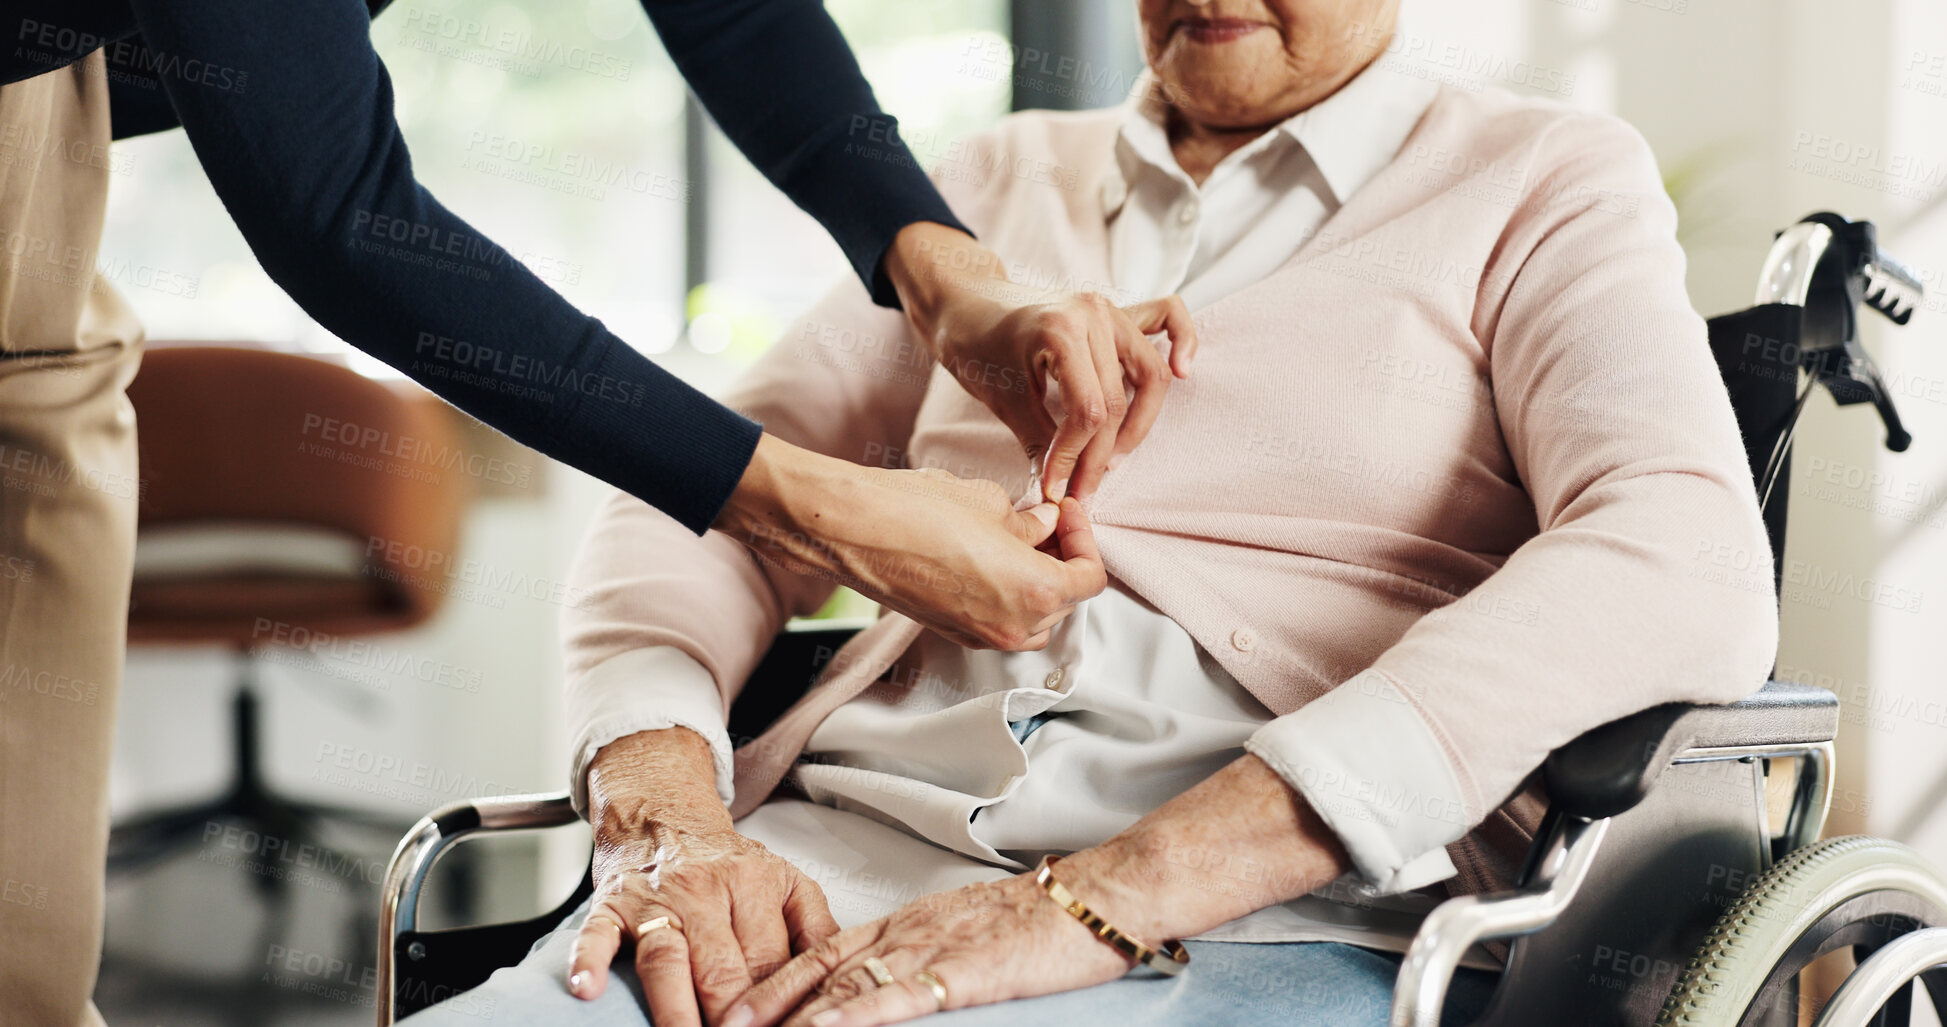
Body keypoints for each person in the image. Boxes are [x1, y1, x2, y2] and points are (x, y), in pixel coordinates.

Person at [401, 0, 1782, 1024]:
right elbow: (699, 492)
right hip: (819, 863)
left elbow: (1676, 550)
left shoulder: (1537, 177)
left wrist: (1104, 891)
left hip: (1267, 915)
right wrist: (666, 805)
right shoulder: (990, 188)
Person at [0, 2, 1193, 1023]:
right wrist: (817, 522)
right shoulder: (1033, 162)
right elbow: (342, 211)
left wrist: (947, 280)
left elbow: (733, 13)